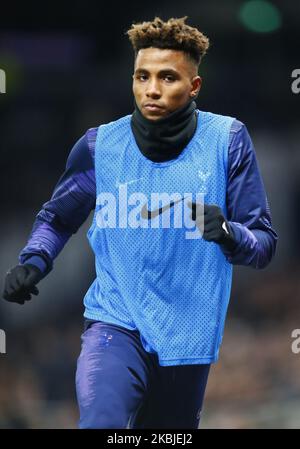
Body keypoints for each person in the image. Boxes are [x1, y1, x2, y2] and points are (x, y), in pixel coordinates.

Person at [2, 16, 278, 429]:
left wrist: (228, 233)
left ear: (194, 86)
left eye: (168, 77)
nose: (151, 89)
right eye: (142, 76)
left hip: (188, 337)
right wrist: (34, 261)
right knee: (101, 422)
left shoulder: (228, 141)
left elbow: (263, 244)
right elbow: (58, 218)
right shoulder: (99, 146)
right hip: (114, 324)